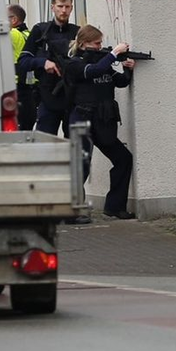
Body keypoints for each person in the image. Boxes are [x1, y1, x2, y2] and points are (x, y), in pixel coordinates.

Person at [62, 24, 136, 220]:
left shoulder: (103, 61)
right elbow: (94, 70)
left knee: (123, 159)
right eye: (96, 43)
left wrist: (127, 69)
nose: (99, 47)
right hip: (81, 119)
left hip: (102, 120)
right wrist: (113, 54)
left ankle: (115, 206)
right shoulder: (74, 64)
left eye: (100, 43)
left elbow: (120, 81)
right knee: (81, 166)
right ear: (83, 44)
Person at [17, 0, 77, 136]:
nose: (64, 10)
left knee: (76, 145)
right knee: (44, 142)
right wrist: (43, 63)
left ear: (71, 8)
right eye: (60, 6)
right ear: (52, 7)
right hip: (47, 95)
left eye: (67, 7)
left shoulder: (76, 32)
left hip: (72, 97)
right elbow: (23, 61)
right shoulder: (40, 31)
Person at [7, 4, 38, 131]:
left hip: (15, 85)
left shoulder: (12, 34)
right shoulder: (28, 34)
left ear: (14, 20)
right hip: (29, 85)